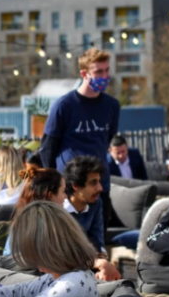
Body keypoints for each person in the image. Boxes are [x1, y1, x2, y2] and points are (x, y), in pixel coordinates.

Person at [39, 47, 120, 232]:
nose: (104, 76)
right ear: (84, 74)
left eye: (107, 70)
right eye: (98, 72)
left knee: (98, 240)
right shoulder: (64, 106)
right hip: (71, 188)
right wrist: (54, 183)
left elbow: (107, 139)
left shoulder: (112, 106)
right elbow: (47, 147)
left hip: (100, 186)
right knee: (68, 240)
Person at [63, 155, 122, 281]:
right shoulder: (58, 208)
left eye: (99, 181)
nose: (100, 188)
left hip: (84, 263)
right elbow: (62, 252)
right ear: (76, 186)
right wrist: (97, 263)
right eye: (93, 183)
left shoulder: (96, 202)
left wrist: (102, 263)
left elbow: (97, 238)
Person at [2, 167, 66, 255]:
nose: (65, 196)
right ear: (50, 195)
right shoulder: (50, 226)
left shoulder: (21, 223)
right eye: (63, 191)